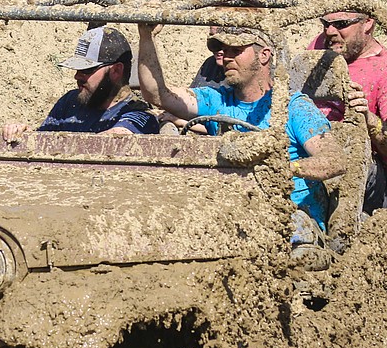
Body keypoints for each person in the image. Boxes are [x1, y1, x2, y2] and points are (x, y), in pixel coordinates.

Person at [137, 23, 339, 262]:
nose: (226, 58)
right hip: (234, 216)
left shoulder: (294, 108)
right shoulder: (217, 101)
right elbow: (157, 94)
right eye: (223, 50)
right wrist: (145, 36)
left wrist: (282, 169)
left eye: (236, 50)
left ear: (264, 55)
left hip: (292, 221)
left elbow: (334, 160)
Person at [309, 0, 387, 213]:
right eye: (325, 24)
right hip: (313, 146)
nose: (330, 32)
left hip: (369, 171)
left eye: (341, 24)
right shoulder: (319, 46)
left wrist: (368, 118)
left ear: (368, 23)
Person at [3, 25, 160, 140]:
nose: (77, 76)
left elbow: (110, 142)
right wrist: (23, 134)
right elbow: (42, 142)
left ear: (116, 71)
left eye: (87, 70)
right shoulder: (69, 102)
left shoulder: (138, 116)